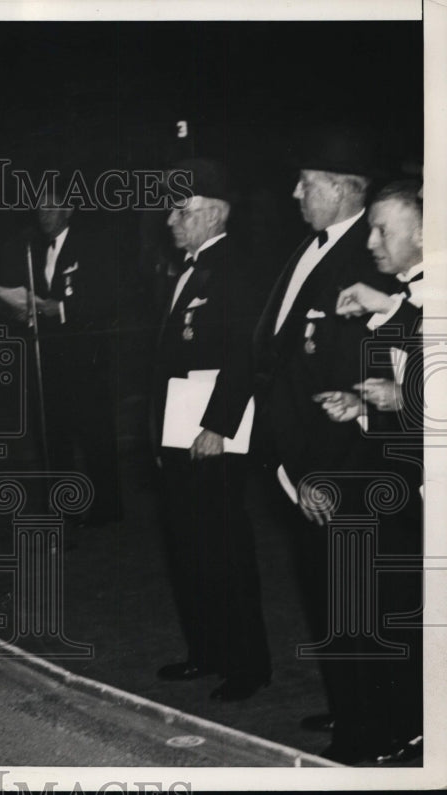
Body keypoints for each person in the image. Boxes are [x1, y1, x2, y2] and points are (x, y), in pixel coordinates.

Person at [251, 129, 400, 762]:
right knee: (330, 596)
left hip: (344, 465)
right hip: (306, 460)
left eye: (306, 182)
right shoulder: (308, 251)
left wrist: (324, 473)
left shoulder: (366, 264)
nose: (295, 192)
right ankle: (352, 710)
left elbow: (356, 383)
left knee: (357, 602)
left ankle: (378, 731)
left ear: (342, 191)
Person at [312, 179, 425, 764]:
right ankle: (395, 728)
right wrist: (367, 404)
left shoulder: (416, 301)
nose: (373, 240)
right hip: (405, 485)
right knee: (393, 615)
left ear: (427, 231)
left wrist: (399, 397)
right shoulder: (406, 297)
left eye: (384, 228)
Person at [150, 159, 271, 701]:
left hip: (213, 432)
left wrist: (217, 426)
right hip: (180, 427)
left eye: (182, 210)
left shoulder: (236, 269)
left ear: (215, 213)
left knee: (223, 548)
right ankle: (207, 651)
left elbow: (245, 355)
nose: (170, 220)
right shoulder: (188, 268)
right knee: (189, 546)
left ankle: (247, 664)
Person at [0, 176, 122, 529]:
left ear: (69, 209)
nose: (43, 214)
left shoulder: (90, 245)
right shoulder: (33, 248)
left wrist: (61, 309)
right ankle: (65, 506)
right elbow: (28, 293)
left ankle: (108, 509)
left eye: (51, 207)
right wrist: (22, 310)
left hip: (85, 356)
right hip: (47, 358)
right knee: (55, 433)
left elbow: (105, 298)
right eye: (40, 207)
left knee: (95, 434)